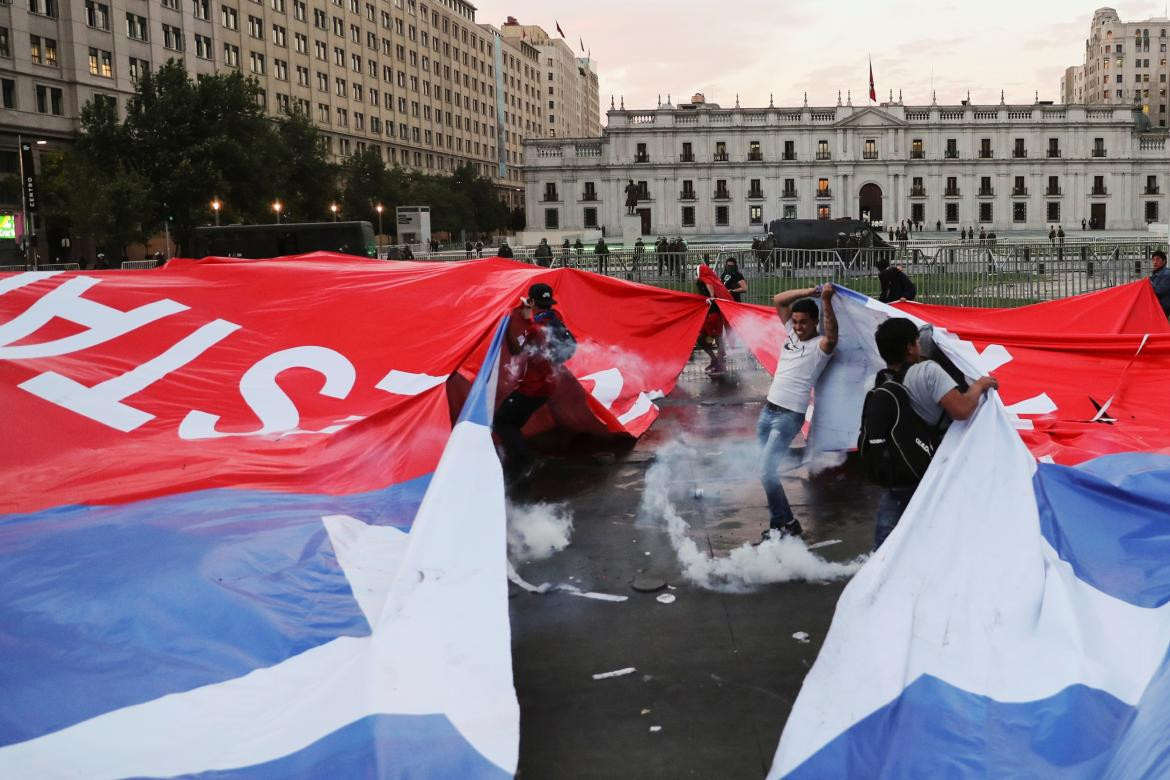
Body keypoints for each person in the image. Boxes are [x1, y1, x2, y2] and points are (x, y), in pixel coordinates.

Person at [866, 318, 999, 549]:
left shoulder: (883, 379)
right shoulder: (927, 371)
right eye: (916, 341)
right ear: (910, 347)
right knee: (939, 523)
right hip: (930, 461)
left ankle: (880, 566)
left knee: (890, 525)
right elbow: (961, 410)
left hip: (899, 464)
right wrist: (979, 385)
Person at [757, 284, 839, 541]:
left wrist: (825, 299)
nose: (798, 326)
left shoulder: (820, 346)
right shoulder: (791, 335)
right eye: (795, 321)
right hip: (768, 410)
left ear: (816, 322)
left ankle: (788, 523)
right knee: (763, 471)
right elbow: (778, 297)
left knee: (766, 471)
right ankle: (779, 523)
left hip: (788, 416)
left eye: (804, 322)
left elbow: (833, 335)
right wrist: (810, 291)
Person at [494, 283, 572, 483]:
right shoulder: (556, 319)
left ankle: (524, 461)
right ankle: (515, 457)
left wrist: (520, 321)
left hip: (533, 387)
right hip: (547, 384)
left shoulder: (535, 327)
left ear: (533, 302)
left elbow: (517, 349)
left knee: (503, 421)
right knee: (512, 422)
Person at [1151, 249, 1170, 317]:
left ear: (1164, 261)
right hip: (1159, 306)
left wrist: (1149, 284)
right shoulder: (1157, 273)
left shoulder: (1167, 274)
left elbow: (1159, 290)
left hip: (1163, 307)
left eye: (1158, 259)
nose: (1155, 262)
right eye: (1153, 260)